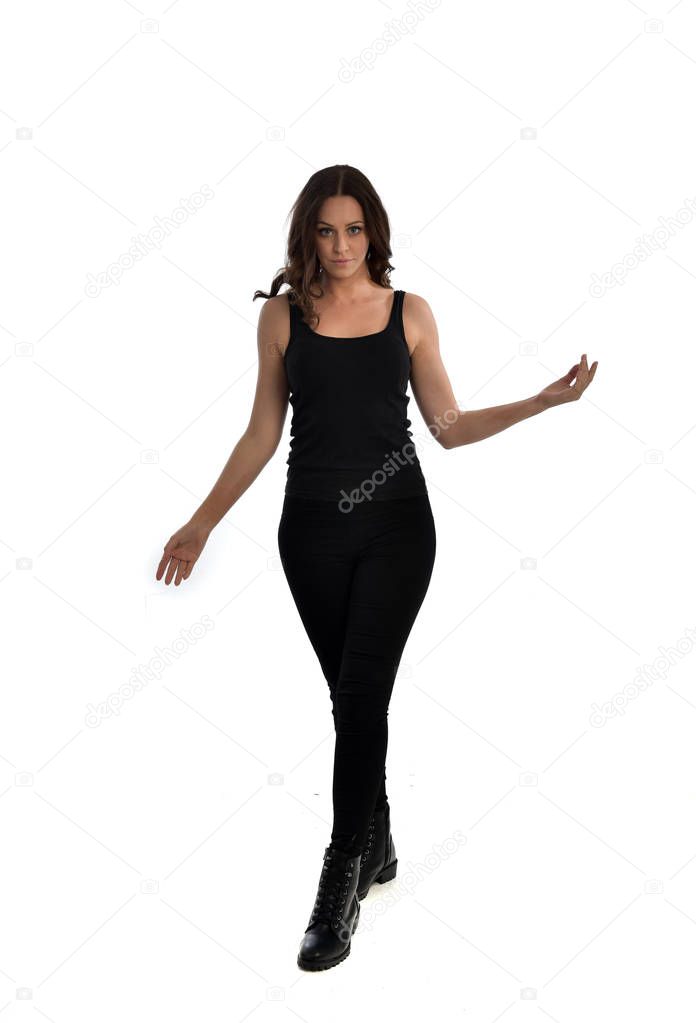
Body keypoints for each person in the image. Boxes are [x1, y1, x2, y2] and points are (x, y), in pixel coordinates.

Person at [155, 164, 598, 972]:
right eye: (326, 231)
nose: (341, 245)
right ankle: (381, 839)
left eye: (354, 229)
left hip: (399, 530)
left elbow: (450, 426)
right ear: (307, 238)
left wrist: (540, 401)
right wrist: (201, 520)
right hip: (311, 533)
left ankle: (339, 881)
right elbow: (262, 433)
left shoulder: (410, 313)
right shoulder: (283, 320)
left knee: (361, 697)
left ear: (374, 233)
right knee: (352, 700)